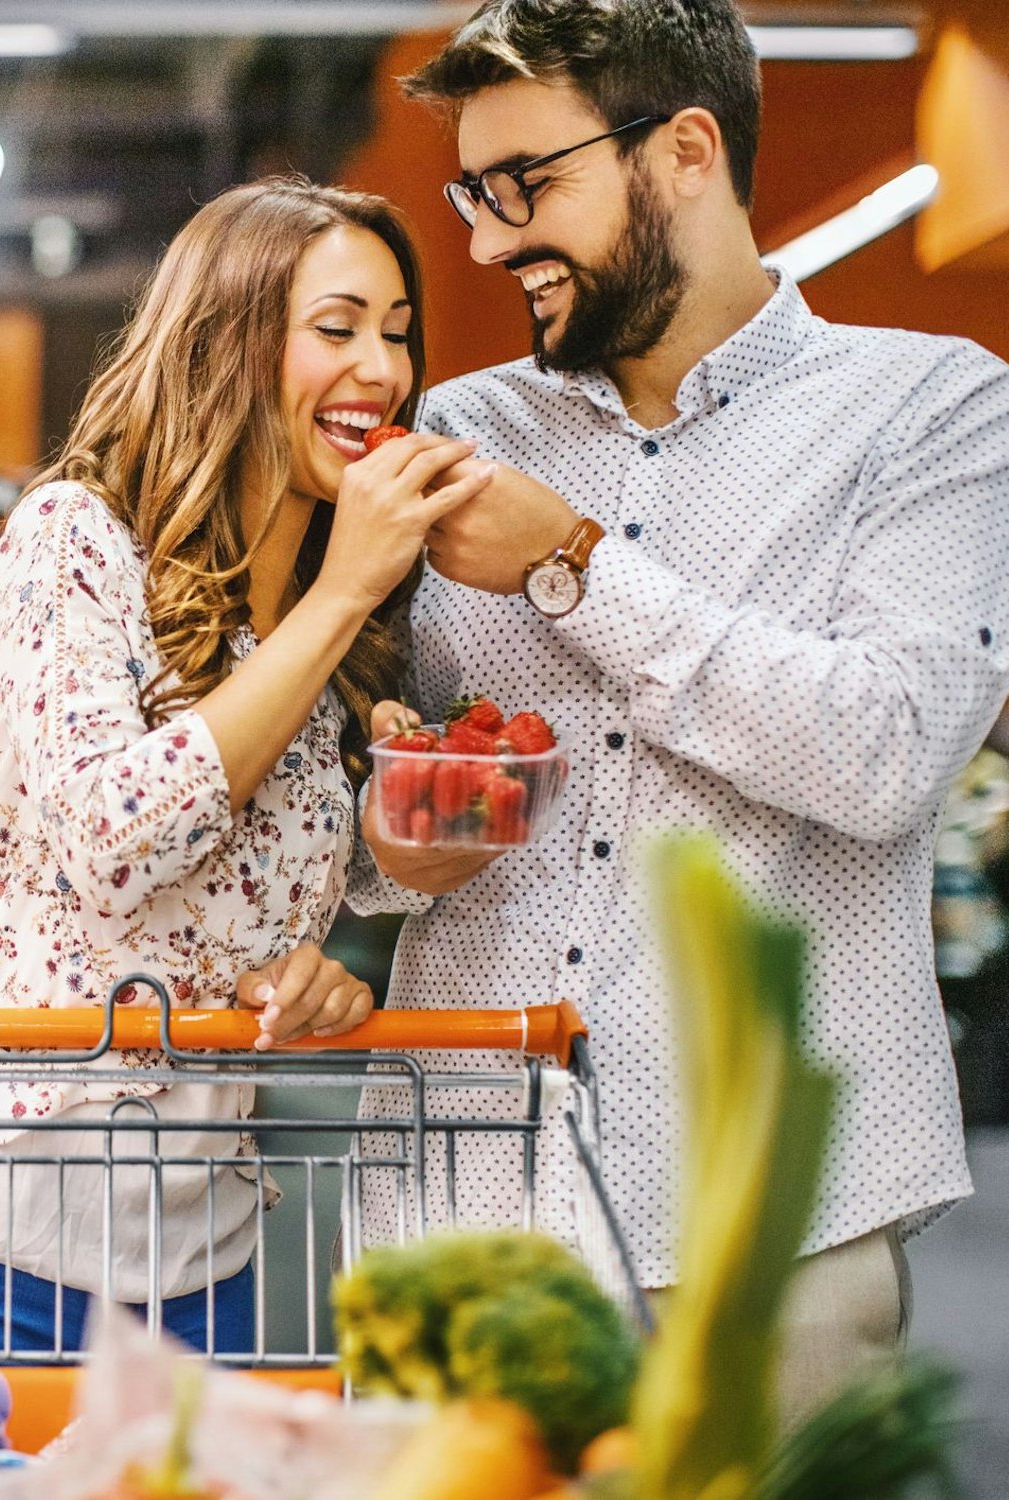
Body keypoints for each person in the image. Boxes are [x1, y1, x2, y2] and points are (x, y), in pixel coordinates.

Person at [349, 0, 1009, 1417]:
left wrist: (575, 566)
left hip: (776, 1222)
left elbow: (888, 750)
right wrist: (389, 845)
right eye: (473, 193)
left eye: (528, 184)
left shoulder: (936, 412)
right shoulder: (456, 437)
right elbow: (344, 806)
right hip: (462, 1199)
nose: (483, 240)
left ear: (688, 149)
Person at [0, 177, 493, 1353]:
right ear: (227, 340)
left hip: (197, 1248)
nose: (380, 371)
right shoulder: (75, 539)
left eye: (395, 334)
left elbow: (331, 882)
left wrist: (346, 938)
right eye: (334, 330)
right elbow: (113, 840)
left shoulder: (340, 618)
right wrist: (340, 596)